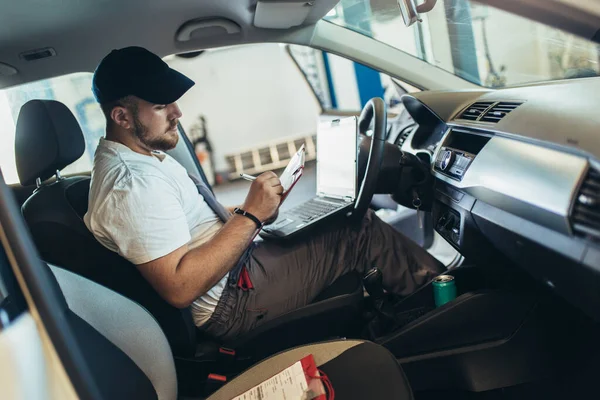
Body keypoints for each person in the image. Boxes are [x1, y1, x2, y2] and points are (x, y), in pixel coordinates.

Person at [84, 46, 444, 340]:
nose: (177, 112)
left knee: (337, 215)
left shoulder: (142, 158)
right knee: (359, 228)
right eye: (162, 106)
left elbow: (186, 223)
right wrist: (251, 216)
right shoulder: (129, 184)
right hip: (234, 301)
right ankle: (450, 306)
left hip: (238, 268)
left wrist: (255, 209)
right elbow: (178, 286)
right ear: (122, 117)